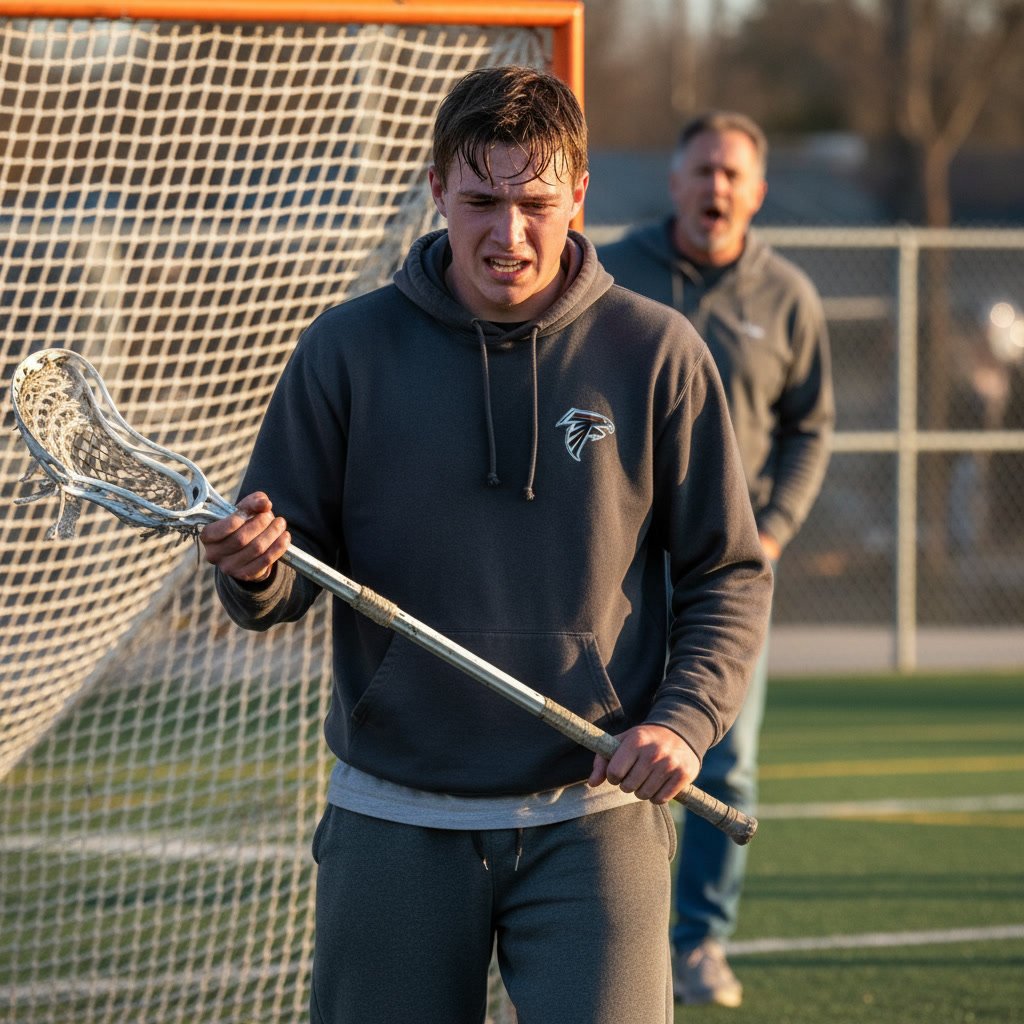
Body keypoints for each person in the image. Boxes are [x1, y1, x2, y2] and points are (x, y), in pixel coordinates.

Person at [201, 68, 773, 1024]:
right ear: (437, 191)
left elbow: (728, 569)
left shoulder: (657, 353)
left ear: (579, 196)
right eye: (480, 201)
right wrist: (256, 572)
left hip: (596, 819)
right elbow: (282, 576)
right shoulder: (345, 350)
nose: (508, 234)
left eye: (535, 202)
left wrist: (685, 720)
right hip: (392, 817)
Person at [599, 111, 834, 1008]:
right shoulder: (617, 273)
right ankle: (604, 934)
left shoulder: (789, 300)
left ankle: (698, 944)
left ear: (757, 191)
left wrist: (769, 529)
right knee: (598, 746)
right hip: (616, 565)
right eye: (702, 171)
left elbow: (811, 428)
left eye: (733, 174)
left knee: (720, 759)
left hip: (726, 574)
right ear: (674, 183)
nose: (717, 187)